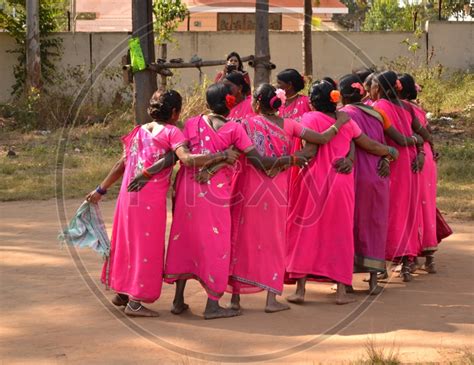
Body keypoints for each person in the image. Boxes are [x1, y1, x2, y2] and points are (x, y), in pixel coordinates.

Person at [86, 90, 239, 317]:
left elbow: (122, 163)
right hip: (149, 199)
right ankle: (135, 302)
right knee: (147, 247)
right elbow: (186, 159)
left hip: (127, 197)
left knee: (128, 243)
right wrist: (222, 156)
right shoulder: (172, 132)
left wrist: (101, 189)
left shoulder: (138, 131)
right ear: (175, 112)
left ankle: (123, 292)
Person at [162, 83, 308, 320]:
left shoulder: (191, 123)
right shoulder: (234, 129)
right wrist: (290, 159)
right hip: (216, 193)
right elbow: (259, 162)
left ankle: (178, 300)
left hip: (188, 189)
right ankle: (211, 305)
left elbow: (182, 154)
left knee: (184, 240)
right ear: (231, 103)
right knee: (217, 246)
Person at [227, 84, 350, 313]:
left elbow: (241, 152)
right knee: (275, 239)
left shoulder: (245, 124)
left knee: (242, 239)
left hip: (249, 190)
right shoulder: (291, 125)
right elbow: (322, 140)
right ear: (279, 104)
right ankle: (271, 300)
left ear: (256, 103)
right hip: (276, 191)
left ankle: (235, 299)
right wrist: (340, 122)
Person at [286, 79, 399, 305]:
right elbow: (367, 144)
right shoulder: (346, 122)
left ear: (312, 101)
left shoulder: (308, 119)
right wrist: (390, 151)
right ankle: (340, 292)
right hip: (342, 184)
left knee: (306, 233)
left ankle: (300, 290)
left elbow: (309, 151)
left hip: (313, 182)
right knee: (340, 234)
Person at [371, 70, 431, 282]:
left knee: (388, 211)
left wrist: (411, 141)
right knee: (406, 210)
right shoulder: (407, 107)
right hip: (410, 164)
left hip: (391, 163)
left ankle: (382, 265)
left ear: (379, 88)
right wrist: (420, 146)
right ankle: (407, 263)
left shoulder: (378, 108)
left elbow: (398, 138)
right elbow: (424, 133)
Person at [339, 74, 392, 294]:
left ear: (341, 95)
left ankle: (346, 281)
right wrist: (388, 156)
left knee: (349, 224)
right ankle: (373, 282)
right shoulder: (378, 114)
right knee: (374, 224)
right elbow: (386, 142)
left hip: (355, 175)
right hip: (379, 174)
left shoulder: (343, 115)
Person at [399, 73, 438, 273]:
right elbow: (427, 134)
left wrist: (420, 150)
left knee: (412, 205)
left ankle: (411, 257)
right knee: (426, 204)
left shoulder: (402, 109)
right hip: (427, 157)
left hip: (415, 157)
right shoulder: (418, 109)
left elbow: (414, 136)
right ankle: (429, 257)